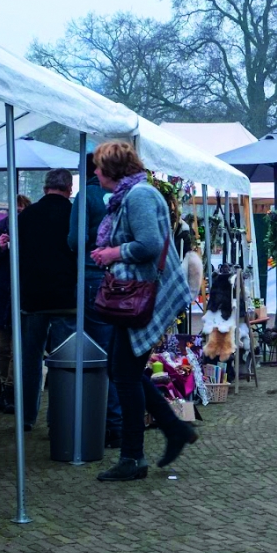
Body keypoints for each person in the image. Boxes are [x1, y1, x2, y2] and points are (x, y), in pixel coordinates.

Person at [89, 140, 197, 481]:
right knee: (123, 370)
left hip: (142, 295)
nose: (94, 172)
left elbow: (149, 245)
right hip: (134, 297)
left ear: (113, 169)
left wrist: (112, 254)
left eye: (98, 167)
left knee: (123, 372)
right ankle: (173, 429)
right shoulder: (132, 195)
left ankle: (134, 457)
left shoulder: (139, 196)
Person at [67, 153, 122, 446]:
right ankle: (120, 420)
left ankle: (111, 424)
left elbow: (74, 241)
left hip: (92, 278)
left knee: (99, 353)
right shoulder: (124, 194)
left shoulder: (86, 196)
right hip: (123, 282)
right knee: (118, 351)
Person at [18, 169, 78, 430]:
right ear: (69, 189)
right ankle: (60, 417)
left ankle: (27, 417)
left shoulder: (27, 215)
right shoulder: (74, 214)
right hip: (67, 298)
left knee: (30, 359)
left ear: (45, 188)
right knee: (64, 360)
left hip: (33, 299)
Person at [0, 194, 31, 414]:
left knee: (18, 348)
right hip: (0, 295)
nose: (16, 214)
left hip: (22, 295)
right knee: (1, 348)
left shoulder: (32, 231)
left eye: (21, 211)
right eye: (13, 210)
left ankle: (11, 391)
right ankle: (8, 389)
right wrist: (0, 248)